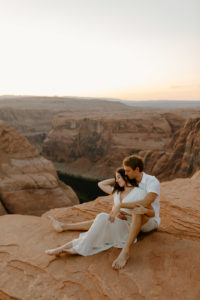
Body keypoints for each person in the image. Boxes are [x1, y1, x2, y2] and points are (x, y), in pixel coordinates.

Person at [45, 168, 154, 269]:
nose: (116, 180)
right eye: (116, 178)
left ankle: (78, 247)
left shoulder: (140, 192)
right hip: (121, 224)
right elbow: (101, 184)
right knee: (101, 218)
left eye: (119, 178)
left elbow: (152, 213)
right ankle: (67, 247)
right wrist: (117, 178)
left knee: (110, 217)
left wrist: (132, 212)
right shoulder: (117, 192)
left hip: (135, 226)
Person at [110, 155, 160, 270]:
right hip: (129, 219)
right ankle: (66, 226)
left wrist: (121, 205)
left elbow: (144, 202)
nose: (125, 173)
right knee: (104, 219)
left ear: (137, 169)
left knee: (137, 210)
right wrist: (120, 211)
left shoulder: (152, 182)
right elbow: (117, 183)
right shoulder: (131, 181)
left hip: (149, 220)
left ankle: (125, 251)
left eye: (127, 170)